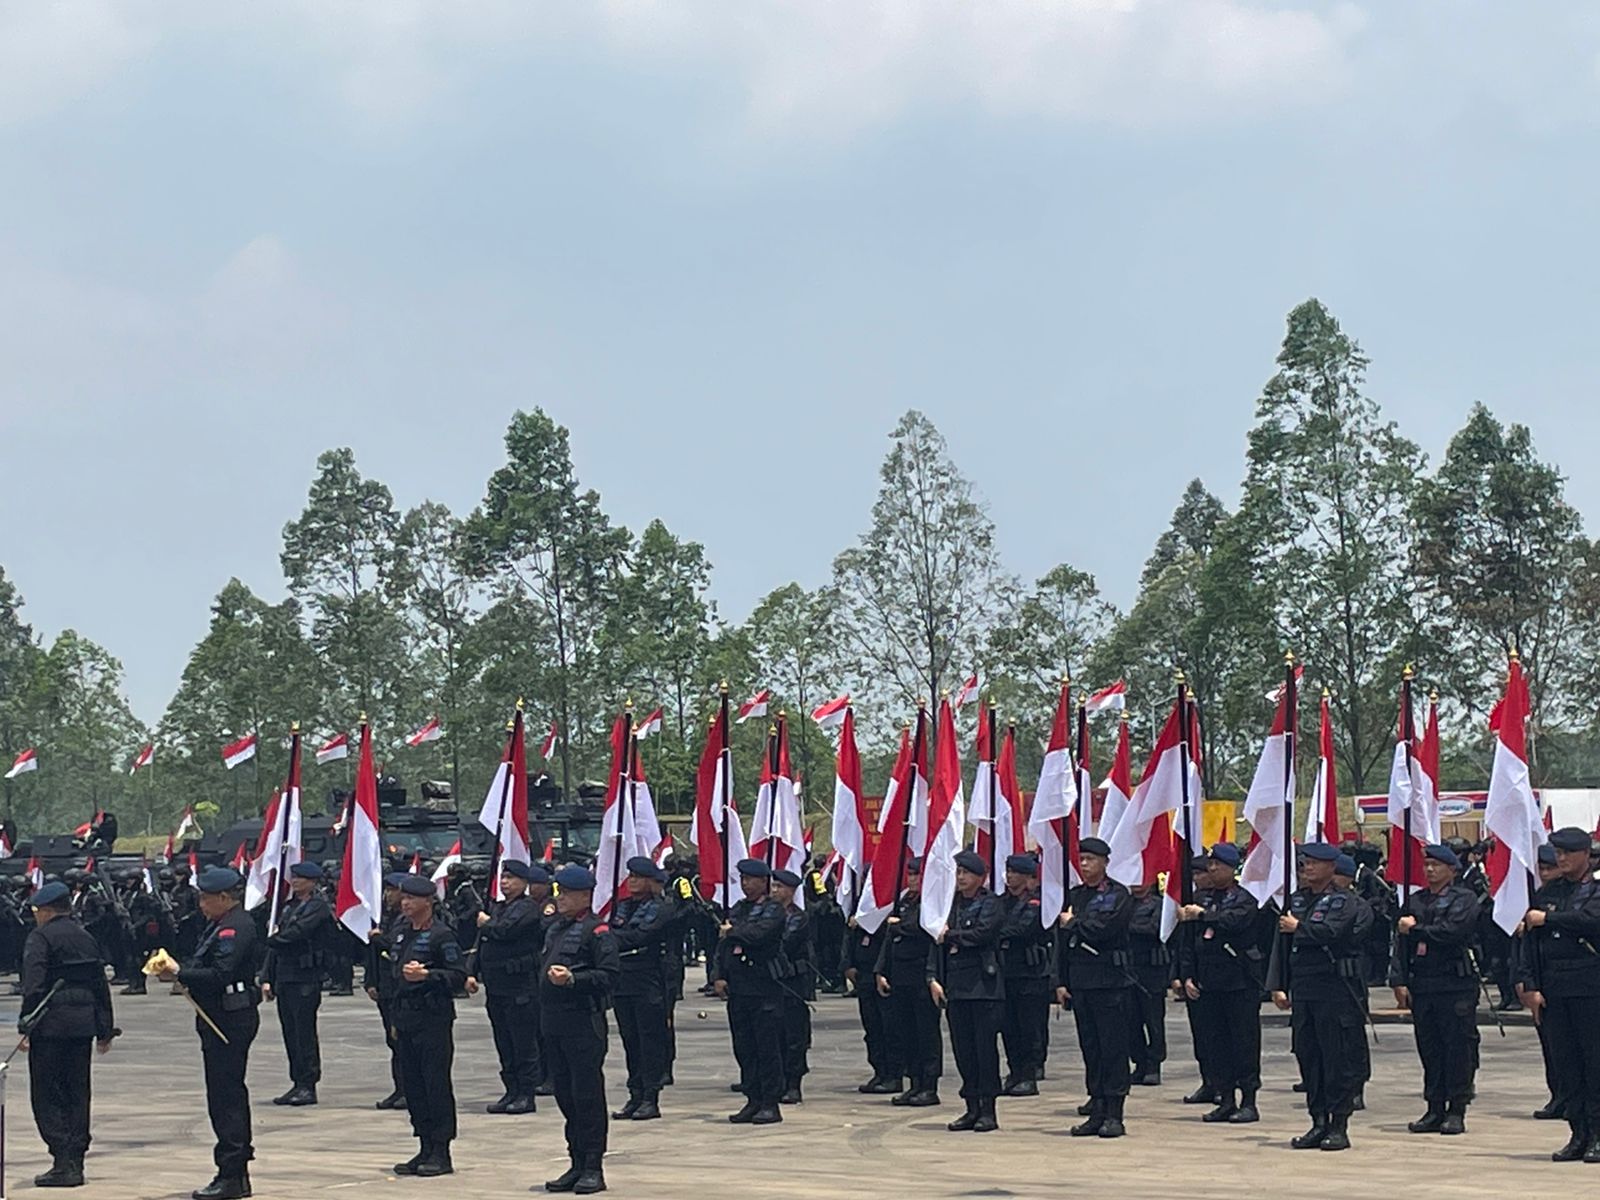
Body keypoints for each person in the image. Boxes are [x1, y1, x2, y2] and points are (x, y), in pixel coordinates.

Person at [154, 866, 260, 1200]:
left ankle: (232, 1171)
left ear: (225, 898)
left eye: (206, 898)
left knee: (227, 1097)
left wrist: (180, 971)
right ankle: (233, 1172)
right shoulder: (218, 926)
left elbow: (221, 973)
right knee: (221, 1095)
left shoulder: (235, 927)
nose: (201, 904)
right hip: (216, 1016)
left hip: (229, 1018)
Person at [1269, 840, 1371, 1152]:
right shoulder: (1297, 900)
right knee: (1309, 1056)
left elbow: (1332, 932)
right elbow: (1282, 946)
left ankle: (1338, 1124)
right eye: (1304, 863)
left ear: (1331, 867)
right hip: (1305, 988)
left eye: (1314, 863)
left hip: (1335, 989)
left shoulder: (1343, 901)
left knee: (1335, 1057)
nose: (1307, 867)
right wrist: (1278, 983)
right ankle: (1317, 1121)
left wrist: (1299, 927)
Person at [19, 880, 117, 1188]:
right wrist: (105, 1028)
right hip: (82, 1026)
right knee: (77, 1092)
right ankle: (76, 1158)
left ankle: (62, 1160)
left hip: (49, 1027)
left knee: (48, 1094)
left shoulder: (41, 938)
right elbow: (99, 984)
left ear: (47, 911)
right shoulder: (85, 937)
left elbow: (33, 985)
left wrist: (26, 1025)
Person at [1390, 842, 1480, 1135]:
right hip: (1424, 983)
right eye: (1427, 865)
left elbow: (1452, 932)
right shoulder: (1416, 901)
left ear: (1451, 870)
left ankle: (1457, 1108)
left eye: (1436, 866)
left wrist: (1416, 929)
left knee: (1457, 1047)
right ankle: (1434, 1106)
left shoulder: (1463, 899)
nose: (1430, 870)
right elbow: (1402, 945)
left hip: (1454, 984)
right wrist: (1399, 979)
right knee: (1430, 1048)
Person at [539, 865, 619, 1195]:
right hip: (554, 1023)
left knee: (586, 1097)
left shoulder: (597, 931)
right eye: (559, 893)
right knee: (565, 1096)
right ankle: (575, 1161)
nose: (561, 899)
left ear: (585, 896)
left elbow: (609, 975)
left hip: (582, 1024)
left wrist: (573, 980)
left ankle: (592, 1166)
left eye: (568, 894)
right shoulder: (556, 929)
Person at [1522, 825, 1600, 1162]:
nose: (1562, 858)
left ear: (1586, 854)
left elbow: (1590, 921)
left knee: (1593, 1064)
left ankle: (1597, 1134)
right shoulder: (1548, 892)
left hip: (1589, 989)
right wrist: (1529, 985)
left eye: (1568, 852)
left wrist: (1549, 919)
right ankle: (1578, 1133)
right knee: (1567, 1066)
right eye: (1558, 852)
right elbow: (1529, 944)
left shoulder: (1595, 892)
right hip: (1554, 990)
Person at [1176, 842, 1266, 1124]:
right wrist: (1187, 974)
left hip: (1238, 981)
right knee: (1215, 1043)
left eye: (1219, 865)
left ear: (1232, 868)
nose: (1213, 869)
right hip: (1209, 981)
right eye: (1210, 865)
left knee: (1244, 1042)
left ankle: (1248, 1100)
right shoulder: (1201, 898)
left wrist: (1203, 916)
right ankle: (1225, 1098)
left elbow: (1235, 922)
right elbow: (1189, 942)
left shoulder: (1244, 898)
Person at [1055, 836, 1134, 1138]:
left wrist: (1074, 923)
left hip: (1109, 982)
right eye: (1082, 859)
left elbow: (1104, 930)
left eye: (1091, 859)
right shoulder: (1074, 896)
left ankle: (1115, 1113)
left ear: (1104, 862)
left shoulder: (1117, 895)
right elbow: (1062, 944)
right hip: (1081, 982)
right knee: (1092, 1049)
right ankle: (1097, 1107)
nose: (1085, 864)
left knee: (1113, 1049)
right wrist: (1060, 981)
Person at [389, 874, 466, 1177]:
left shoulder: (441, 936)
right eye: (403, 898)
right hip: (406, 1018)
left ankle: (441, 1150)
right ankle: (423, 1144)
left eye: (411, 899)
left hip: (432, 1019)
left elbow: (457, 976)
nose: (405, 903)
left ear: (428, 902)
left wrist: (428, 976)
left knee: (435, 1084)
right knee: (414, 1085)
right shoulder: (401, 933)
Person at [930, 850, 1005, 1132]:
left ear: (980, 877)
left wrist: (951, 935)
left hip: (983, 987)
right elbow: (935, 945)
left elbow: (982, 933)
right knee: (964, 1051)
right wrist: (933, 978)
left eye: (966, 873)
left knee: (985, 1050)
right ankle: (971, 1106)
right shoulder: (950, 906)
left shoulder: (990, 903)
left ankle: (988, 1109)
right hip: (957, 987)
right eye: (958, 873)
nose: (961, 878)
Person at [714, 858, 790, 1124]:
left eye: (751, 880)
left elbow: (759, 935)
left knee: (767, 1047)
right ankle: (753, 1098)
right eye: (743, 880)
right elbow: (722, 946)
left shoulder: (773, 910)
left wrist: (733, 932)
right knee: (744, 1047)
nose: (746, 884)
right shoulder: (739, 909)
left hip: (763, 988)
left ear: (763, 882)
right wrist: (719, 976)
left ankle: (770, 1102)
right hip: (739, 988)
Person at [471, 860, 548, 1115]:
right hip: (497, 986)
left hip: (520, 988)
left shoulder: (526, 908)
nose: (505, 882)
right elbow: (482, 944)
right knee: (504, 1043)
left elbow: (504, 931)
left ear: (524, 883)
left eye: (511, 878)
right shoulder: (499, 907)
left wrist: (486, 923)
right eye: (503, 878)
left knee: (523, 1044)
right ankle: (511, 1090)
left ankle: (526, 1093)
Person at [260, 860, 331, 1107]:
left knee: (304, 1033)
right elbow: (276, 948)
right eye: (295, 877)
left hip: (305, 978)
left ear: (312, 881)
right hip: (286, 977)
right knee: (290, 1032)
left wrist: (273, 938)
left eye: (301, 878)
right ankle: (297, 1081)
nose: (296, 881)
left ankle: (308, 1084)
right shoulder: (289, 907)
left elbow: (297, 933)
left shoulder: (318, 907)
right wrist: (267, 977)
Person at [874, 857, 942, 1107]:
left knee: (926, 1034)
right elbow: (889, 942)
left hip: (921, 976)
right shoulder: (904, 902)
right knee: (907, 1033)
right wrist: (881, 970)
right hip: (900, 976)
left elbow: (921, 928)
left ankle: (929, 1085)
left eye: (918, 875)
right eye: (911, 875)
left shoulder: (932, 904)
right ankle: (914, 1082)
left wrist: (898, 926)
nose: (913, 879)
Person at [610, 857, 673, 1120]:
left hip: (650, 979)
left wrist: (610, 937)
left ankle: (650, 1096)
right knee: (630, 1041)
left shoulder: (660, 908)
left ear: (650, 881)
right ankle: (635, 1094)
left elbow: (640, 936)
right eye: (631, 876)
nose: (632, 881)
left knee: (650, 1041)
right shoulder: (623, 906)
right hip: (624, 979)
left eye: (638, 877)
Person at [996, 853, 1050, 1097]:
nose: (1010, 876)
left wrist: (996, 931)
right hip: (1006, 972)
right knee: (1009, 1027)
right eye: (1008, 871)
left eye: (1016, 872)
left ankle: (1029, 1074)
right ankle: (1015, 1072)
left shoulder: (1035, 903)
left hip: (1031, 974)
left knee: (1029, 1028)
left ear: (1029, 877)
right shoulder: (1001, 901)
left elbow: (1022, 929)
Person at [1520, 844, 1564, 1121]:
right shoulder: (1537, 897)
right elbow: (1526, 948)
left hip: (1577, 983)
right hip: (1545, 982)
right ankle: (1558, 1095)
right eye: (1543, 869)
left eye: (1551, 868)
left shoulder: (1584, 895)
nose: (1546, 874)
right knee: (1552, 1046)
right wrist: (1525, 982)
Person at [364, 873, 410, 1111]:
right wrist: (370, 981)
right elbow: (373, 956)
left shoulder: (405, 920)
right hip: (385, 987)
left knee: (401, 1041)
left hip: (399, 988)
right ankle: (399, 1088)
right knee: (392, 1041)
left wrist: (380, 938)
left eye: (393, 891)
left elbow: (395, 948)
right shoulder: (385, 917)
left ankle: (407, 1090)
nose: (388, 895)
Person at [844, 910, 900, 1094]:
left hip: (884, 975)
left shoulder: (892, 907)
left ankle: (893, 1075)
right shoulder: (863, 905)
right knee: (872, 1027)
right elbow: (851, 935)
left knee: (889, 1028)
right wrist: (848, 964)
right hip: (864, 974)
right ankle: (879, 1071)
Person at [772, 868, 814, 1104]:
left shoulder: (797, 917)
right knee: (773, 1036)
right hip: (772, 983)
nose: (775, 891)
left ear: (791, 891)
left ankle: (793, 1083)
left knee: (794, 1037)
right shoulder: (768, 913)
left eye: (780, 887)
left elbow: (783, 942)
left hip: (792, 986)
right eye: (773, 886)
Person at [1127, 880, 1170, 1086]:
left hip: (1152, 970)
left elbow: (1154, 928)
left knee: (1153, 1020)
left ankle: (1154, 1064)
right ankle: (1139, 1062)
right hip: (1128, 968)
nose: (1136, 885)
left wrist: (1125, 925)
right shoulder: (1124, 903)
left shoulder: (1158, 904)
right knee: (1130, 1021)